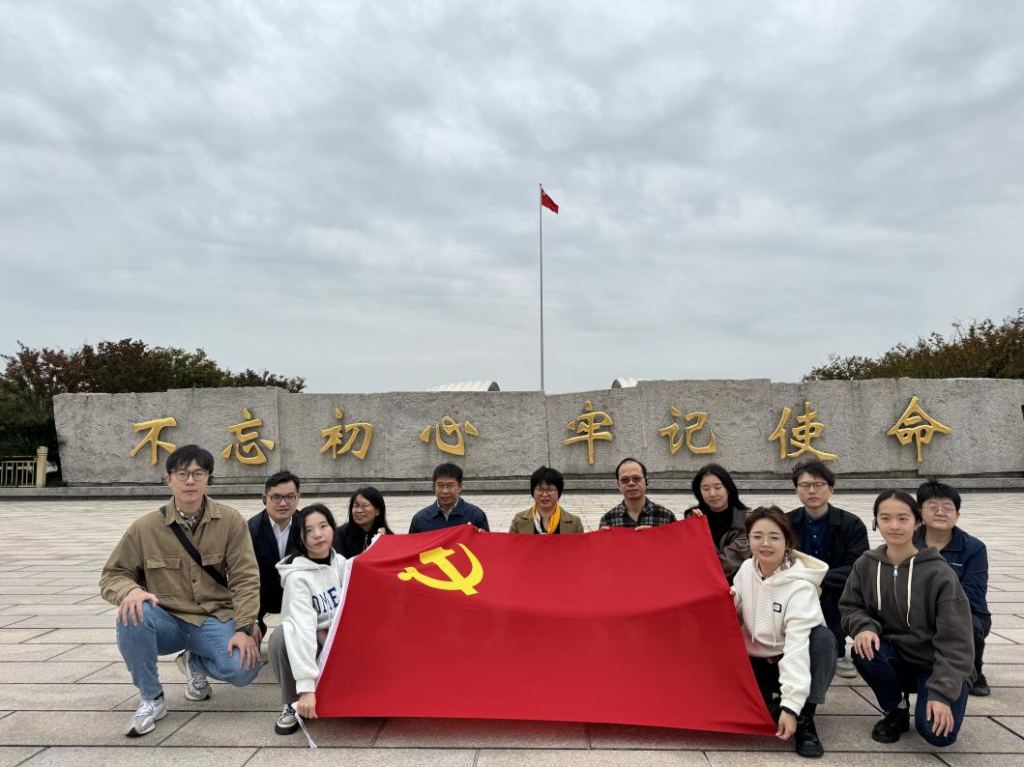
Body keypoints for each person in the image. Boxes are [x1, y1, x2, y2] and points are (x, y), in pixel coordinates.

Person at [100, 445, 261, 738]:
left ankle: (194, 661)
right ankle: (152, 698)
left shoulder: (230, 521)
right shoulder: (145, 528)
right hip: (167, 621)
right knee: (133, 611)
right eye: (182, 474)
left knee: (244, 668)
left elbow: (245, 578)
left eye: (198, 473)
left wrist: (245, 627)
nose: (190, 481)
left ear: (209, 478)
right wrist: (130, 591)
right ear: (168, 479)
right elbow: (113, 574)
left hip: (213, 617)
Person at [840, 490, 975, 747]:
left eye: (903, 518)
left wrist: (942, 693)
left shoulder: (938, 571)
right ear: (876, 522)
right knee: (863, 650)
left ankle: (938, 693)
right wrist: (863, 627)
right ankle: (897, 709)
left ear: (917, 522)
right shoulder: (866, 564)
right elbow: (850, 606)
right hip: (895, 656)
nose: (894, 526)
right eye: (885, 518)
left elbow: (957, 639)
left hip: (936, 663)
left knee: (938, 736)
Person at [732, 506, 836, 758]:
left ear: (787, 541)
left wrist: (791, 707)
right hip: (756, 658)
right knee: (750, 717)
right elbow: (733, 606)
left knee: (823, 639)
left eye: (774, 537)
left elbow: (796, 648)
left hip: (788, 655)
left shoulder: (801, 587)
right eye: (757, 536)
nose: (765, 544)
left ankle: (804, 716)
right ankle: (773, 702)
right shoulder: (746, 568)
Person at [269, 504, 348, 736]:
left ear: (333, 528)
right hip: (311, 645)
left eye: (323, 526)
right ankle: (291, 702)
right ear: (301, 537)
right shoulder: (297, 578)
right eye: (309, 530)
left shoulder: (342, 563)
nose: (318, 534)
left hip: (340, 643)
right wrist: (306, 688)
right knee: (281, 636)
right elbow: (303, 628)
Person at [786, 459, 869, 680]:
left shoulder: (851, 524)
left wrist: (820, 582)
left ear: (831, 489)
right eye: (805, 485)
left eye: (818, 484)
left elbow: (858, 566)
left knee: (836, 594)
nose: (812, 490)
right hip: (797, 588)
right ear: (796, 490)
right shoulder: (786, 523)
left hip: (837, 589)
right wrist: (806, 584)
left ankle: (838, 652)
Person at [914, 479, 992, 696]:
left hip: (964, 611)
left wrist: (937, 608)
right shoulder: (906, 543)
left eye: (947, 508)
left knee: (968, 623)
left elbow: (974, 593)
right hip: (915, 611)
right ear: (919, 512)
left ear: (957, 515)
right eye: (933, 507)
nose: (940, 512)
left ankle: (973, 669)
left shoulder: (974, 548)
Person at [248, 471, 302, 644]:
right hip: (260, 597)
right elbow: (242, 578)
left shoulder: (308, 527)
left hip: (299, 597)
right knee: (245, 635)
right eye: (276, 497)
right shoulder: (250, 530)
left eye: (290, 497)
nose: (283, 503)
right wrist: (250, 620)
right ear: (265, 498)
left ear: (298, 498)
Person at [683, 463, 750, 581]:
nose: (712, 494)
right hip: (701, 583)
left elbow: (730, 560)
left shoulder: (747, 520)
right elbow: (686, 554)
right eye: (706, 489)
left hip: (737, 585)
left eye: (718, 487)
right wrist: (696, 527)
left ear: (728, 489)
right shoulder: (693, 518)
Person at [409, 463, 489, 533]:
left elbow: (487, 544)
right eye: (440, 485)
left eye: (450, 485)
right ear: (434, 487)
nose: (445, 491)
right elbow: (411, 544)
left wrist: (482, 537)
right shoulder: (420, 519)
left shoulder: (476, 515)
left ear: (460, 487)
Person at [599, 457, 676, 529]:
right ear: (618, 485)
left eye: (636, 478)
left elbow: (677, 539)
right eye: (625, 480)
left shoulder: (666, 517)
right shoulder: (608, 521)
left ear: (646, 481)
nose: (631, 483)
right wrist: (602, 537)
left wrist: (656, 535)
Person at [509, 466, 585, 534]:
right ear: (533, 491)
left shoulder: (575, 523)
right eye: (540, 489)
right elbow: (511, 545)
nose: (544, 494)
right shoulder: (518, 520)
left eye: (550, 489)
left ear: (558, 492)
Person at [334, 486, 395, 557]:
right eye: (356, 506)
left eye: (365, 505)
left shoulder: (388, 536)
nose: (359, 511)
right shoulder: (339, 536)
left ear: (377, 511)